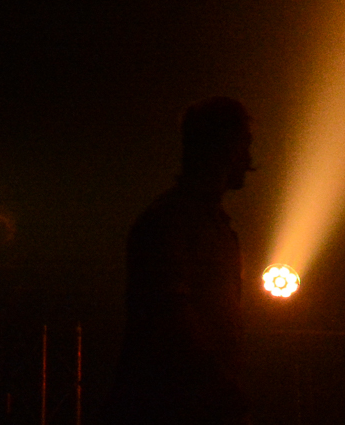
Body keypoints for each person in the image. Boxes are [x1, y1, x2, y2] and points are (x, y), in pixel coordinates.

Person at [104, 97, 254, 425]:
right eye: (245, 146)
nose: (250, 161)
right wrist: (221, 384)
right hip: (172, 405)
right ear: (225, 148)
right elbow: (171, 317)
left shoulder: (185, 221)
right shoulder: (173, 222)